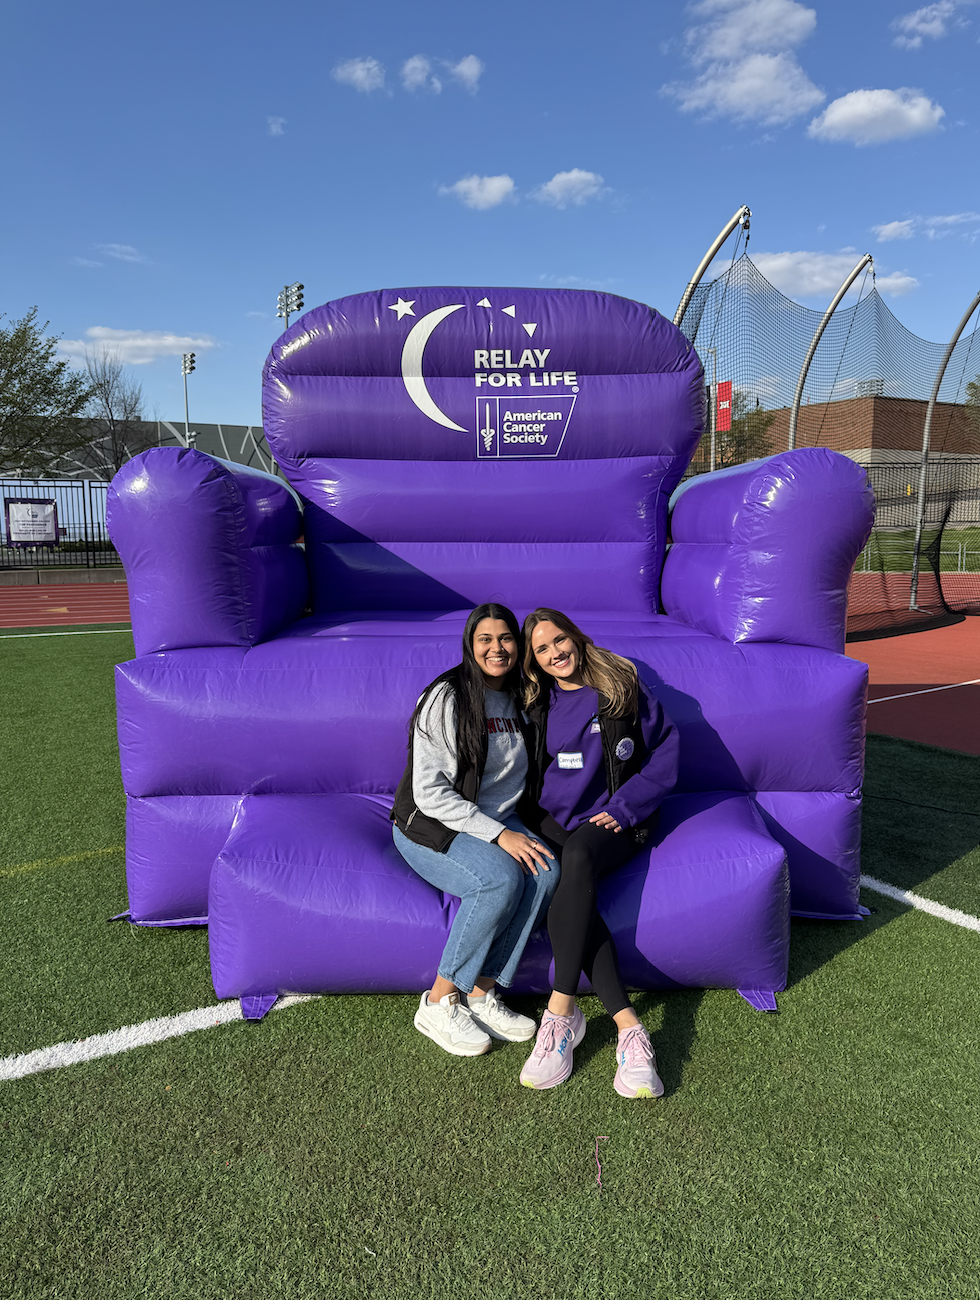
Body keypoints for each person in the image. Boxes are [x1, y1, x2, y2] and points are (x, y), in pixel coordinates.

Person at [517, 608, 679, 1097]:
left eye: (559, 640)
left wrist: (627, 806)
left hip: (613, 820)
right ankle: (629, 1027)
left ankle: (560, 1013)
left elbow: (666, 749)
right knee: (569, 881)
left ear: (576, 637)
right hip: (549, 823)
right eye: (542, 649)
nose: (554, 653)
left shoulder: (621, 685)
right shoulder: (535, 703)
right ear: (534, 661)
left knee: (581, 856)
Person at [392, 603, 559, 1058]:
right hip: (430, 822)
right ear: (470, 644)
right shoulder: (448, 697)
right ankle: (440, 998)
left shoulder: (523, 696)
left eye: (505, 638)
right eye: (485, 639)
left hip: (496, 818)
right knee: (498, 880)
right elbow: (430, 793)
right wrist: (500, 836)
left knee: (545, 871)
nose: (496, 648)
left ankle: (482, 993)